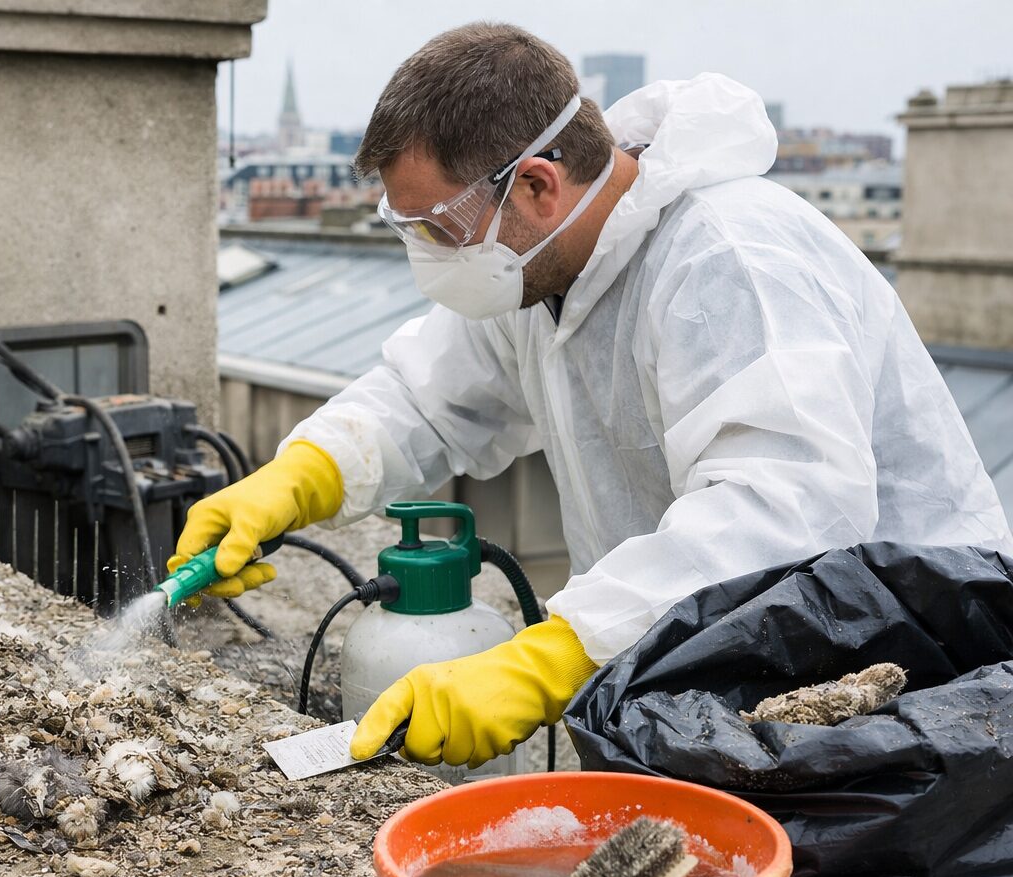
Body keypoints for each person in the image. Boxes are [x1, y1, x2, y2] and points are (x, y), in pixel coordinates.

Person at [173, 23, 1013, 771]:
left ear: (537, 184)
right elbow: (426, 396)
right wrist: (297, 479)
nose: (428, 255)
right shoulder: (543, 265)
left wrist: (554, 655)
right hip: (723, 674)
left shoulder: (730, 258)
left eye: (438, 229)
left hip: (907, 689)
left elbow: (784, 512)